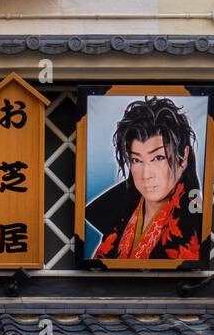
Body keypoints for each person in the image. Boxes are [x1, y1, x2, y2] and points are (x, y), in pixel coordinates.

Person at [85, 96, 203, 263]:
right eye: (136, 160)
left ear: (183, 157)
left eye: (158, 158)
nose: (146, 174)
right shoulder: (119, 215)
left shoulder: (194, 227)